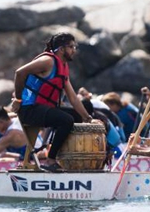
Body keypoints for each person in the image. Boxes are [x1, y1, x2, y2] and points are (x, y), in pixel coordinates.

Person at [11, 32, 94, 173]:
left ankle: (66, 157)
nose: (74, 50)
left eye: (75, 47)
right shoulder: (47, 61)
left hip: (43, 109)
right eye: (71, 47)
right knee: (66, 120)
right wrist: (18, 99)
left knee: (76, 116)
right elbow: (19, 73)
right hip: (29, 109)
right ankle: (50, 160)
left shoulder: (63, 67)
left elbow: (73, 98)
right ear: (61, 49)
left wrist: (87, 117)